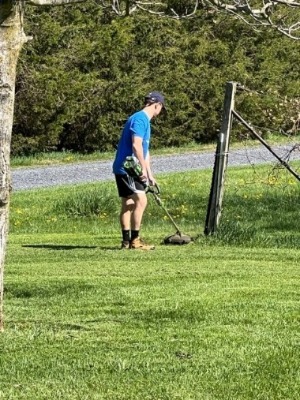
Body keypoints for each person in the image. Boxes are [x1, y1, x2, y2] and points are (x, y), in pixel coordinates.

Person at [112, 91, 166, 250]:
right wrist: (141, 169)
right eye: (161, 108)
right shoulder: (140, 119)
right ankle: (135, 241)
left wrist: (150, 174)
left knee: (128, 203)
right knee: (141, 201)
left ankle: (126, 241)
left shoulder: (144, 121)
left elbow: (145, 150)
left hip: (130, 167)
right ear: (157, 105)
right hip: (128, 167)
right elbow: (136, 146)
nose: (160, 112)